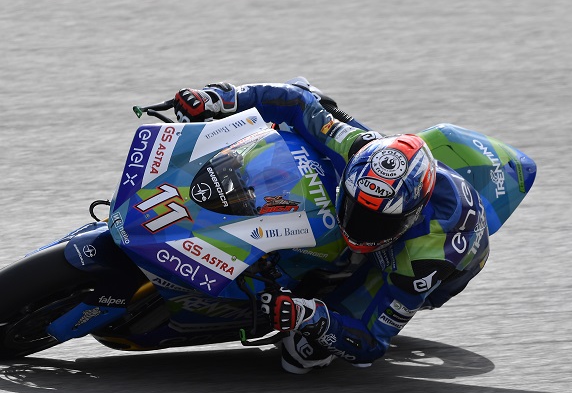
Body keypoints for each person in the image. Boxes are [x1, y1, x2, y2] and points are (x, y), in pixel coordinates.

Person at [173, 79, 490, 374]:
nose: (360, 228)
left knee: (301, 353)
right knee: (306, 95)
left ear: (412, 215)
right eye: (355, 208)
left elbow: (371, 343)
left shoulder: (424, 263)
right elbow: (297, 102)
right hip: (398, 178)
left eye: (378, 222)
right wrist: (224, 98)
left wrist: (310, 317)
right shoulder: (358, 149)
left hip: (434, 255)